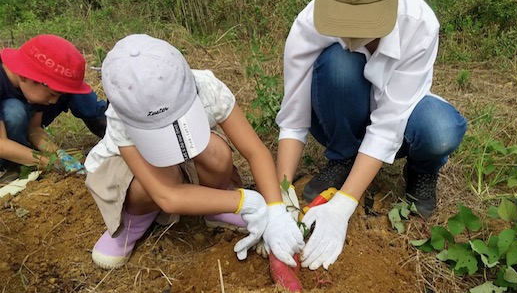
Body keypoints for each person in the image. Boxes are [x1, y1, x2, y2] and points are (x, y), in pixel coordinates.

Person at [276, 0, 468, 270]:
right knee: (339, 62)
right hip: (336, 112)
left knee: (439, 130)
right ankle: (344, 157)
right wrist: (280, 196)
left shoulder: (419, 24)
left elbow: (388, 126)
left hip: (400, 121)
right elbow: (293, 118)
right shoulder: (309, 22)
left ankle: (421, 171)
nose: (353, 29)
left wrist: (343, 206)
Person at [86, 34, 304, 270]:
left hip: (183, 163)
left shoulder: (207, 88)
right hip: (139, 172)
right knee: (149, 186)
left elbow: (254, 151)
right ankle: (134, 221)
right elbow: (166, 195)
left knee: (216, 153)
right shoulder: (122, 118)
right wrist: (245, 201)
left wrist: (275, 210)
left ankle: (215, 207)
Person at [0, 34, 104, 173]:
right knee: (14, 112)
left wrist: (60, 155)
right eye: (52, 94)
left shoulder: (34, 82)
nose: (54, 101)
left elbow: (34, 129)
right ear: (26, 76)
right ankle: (8, 167)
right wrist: (48, 162)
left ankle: (22, 156)